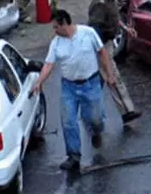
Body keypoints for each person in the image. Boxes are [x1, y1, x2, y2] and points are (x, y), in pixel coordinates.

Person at [29, 9, 117, 173]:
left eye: (56, 27)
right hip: (69, 87)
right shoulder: (56, 43)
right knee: (68, 121)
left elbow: (102, 53)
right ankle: (74, 155)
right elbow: (49, 64)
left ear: (64, 23)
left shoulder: (88, 33)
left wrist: (109, 74)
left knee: (95, 118)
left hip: (91, 84)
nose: (54, 31)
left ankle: (96, 131)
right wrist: (39, 82)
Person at [88, 0, 139, 123]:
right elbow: (95, 29)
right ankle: (127, 112)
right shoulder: (99, 4)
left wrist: (126, 28)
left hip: (108, 43)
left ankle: (92, 112)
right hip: (102, 46)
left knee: (100, 81)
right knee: (113, 78)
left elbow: (114, 18)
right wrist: (101, 51)